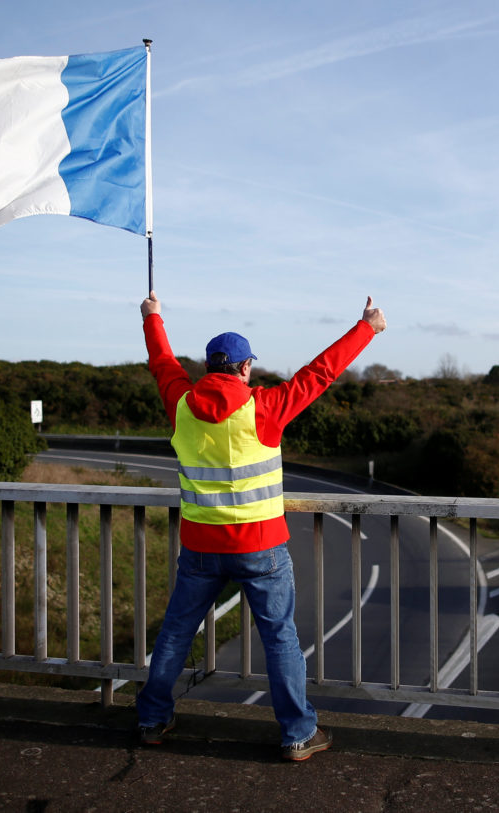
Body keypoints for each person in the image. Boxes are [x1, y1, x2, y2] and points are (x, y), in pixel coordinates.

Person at [135, 290, 387, 761]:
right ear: (245, 367)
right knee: (280, 638)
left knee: (175, 634)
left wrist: (153, 316)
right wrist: (367, 326)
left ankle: (152, 719)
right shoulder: (264, 407)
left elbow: (160, 361)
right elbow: (321, 373)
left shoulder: (182, 402)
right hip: (261, 547)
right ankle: (297, 734)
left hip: (201, 546)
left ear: (210, 367)